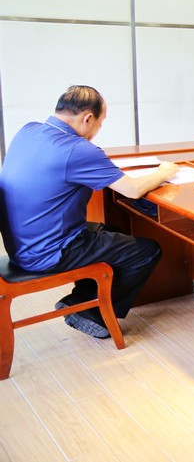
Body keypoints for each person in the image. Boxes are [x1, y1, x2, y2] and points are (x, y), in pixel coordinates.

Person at [0, 86, 179, 339]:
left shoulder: (27, 131)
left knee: (114, 232)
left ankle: (81, 301)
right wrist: (163, 172)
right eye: (101, 122)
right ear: (88, 118)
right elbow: (133, 190)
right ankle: (91, 311)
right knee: (147, 251)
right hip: (49, 252)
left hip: (22, 243)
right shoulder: (77, 149)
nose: (98, 129)